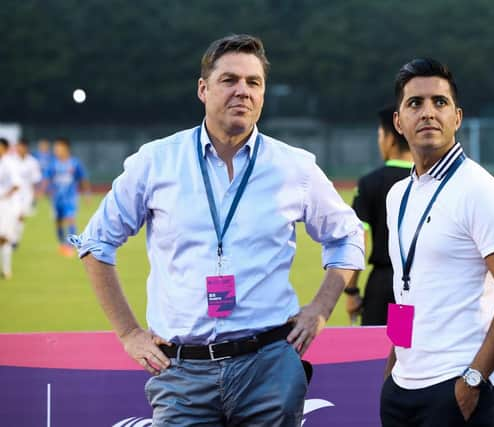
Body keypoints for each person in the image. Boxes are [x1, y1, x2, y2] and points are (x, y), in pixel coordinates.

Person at [71, 34, 364, 426]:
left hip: (269, 370)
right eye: (229, 80)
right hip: (181, 374)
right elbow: (96, 243)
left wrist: (320, 310)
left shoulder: (294, 167)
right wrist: (128, 333)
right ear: (203, 89)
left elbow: (347, 234)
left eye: (253, 82)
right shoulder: (157, 162)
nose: (242, 91)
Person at [380, 58, 494, 427]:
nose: (428, 113)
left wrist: (473, 378)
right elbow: (407, 289)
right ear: (399, 122)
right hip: (402, 387)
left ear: (458, 117)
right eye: (415, 104)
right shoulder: (398, 195)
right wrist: (393, 366)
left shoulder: (480, 192)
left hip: (459, 386)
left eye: (440, 102)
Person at [346, 105, 412, 325]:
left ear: (390, 139)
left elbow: (358, 240)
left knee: (378, 357)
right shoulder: (427, 182)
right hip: (419, 287)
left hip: (383, 286)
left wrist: (352, 291)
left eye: (380, 135)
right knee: (406, 352)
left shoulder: (369, 183)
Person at [44, 138, 89, 257]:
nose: (57, 151)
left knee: (70, 219)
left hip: (70, 197)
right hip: (57, 198)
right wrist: (43, 190)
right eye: (55, 149)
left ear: (66, 149)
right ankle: (62, 244)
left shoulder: (75, 163)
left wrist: (87, 194)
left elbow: (82, 179)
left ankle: (71, 246)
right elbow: (47, 178)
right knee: (58, 222)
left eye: (59, 148)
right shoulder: (53, 164)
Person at [8, 139, 42, 245]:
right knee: (13, 215)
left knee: (21, 215)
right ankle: (13, 237)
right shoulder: (10, 161)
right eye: (18, 146)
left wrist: (36, 194)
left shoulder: (32, 162)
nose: (19, 149)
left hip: (27, 194)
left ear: (26, 148)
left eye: (21, 147)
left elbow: (36, 179)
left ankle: (15, 238)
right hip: (13, 194)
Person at [0, 138, 19, 279]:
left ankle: (6, 270)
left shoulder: (10, 164)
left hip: (6, 206)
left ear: (5, 149)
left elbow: (16, 185)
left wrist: (3, 195)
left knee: (4, 237)